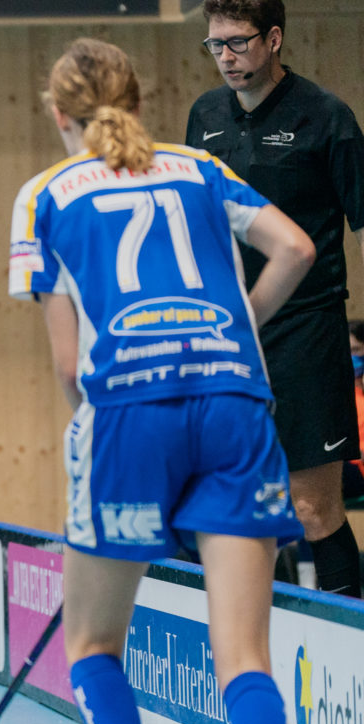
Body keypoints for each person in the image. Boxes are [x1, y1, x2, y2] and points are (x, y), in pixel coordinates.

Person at [10, 39, 314, 724]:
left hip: (128, 414)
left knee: (92, 645)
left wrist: (91, 434)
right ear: (140, 101)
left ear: (56, 113)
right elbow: (297, 248)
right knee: (244, 652)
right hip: (233, 404)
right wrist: (239, 326)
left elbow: (70, 365)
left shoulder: (43, 197)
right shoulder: (199, 168)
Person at [185, 0, 364, 598]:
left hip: (307, 336)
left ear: (275, 38)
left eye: (238, 42)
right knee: (228, 502)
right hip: (230, 334)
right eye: (215, 45)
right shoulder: (204, 116)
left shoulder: (328, 120)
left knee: (312, 508)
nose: (226, 57)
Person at [345, 320, 364, 499]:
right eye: (346, 351)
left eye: (355, 350)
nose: (351, 357)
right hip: (347, 468)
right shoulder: (335, 394)